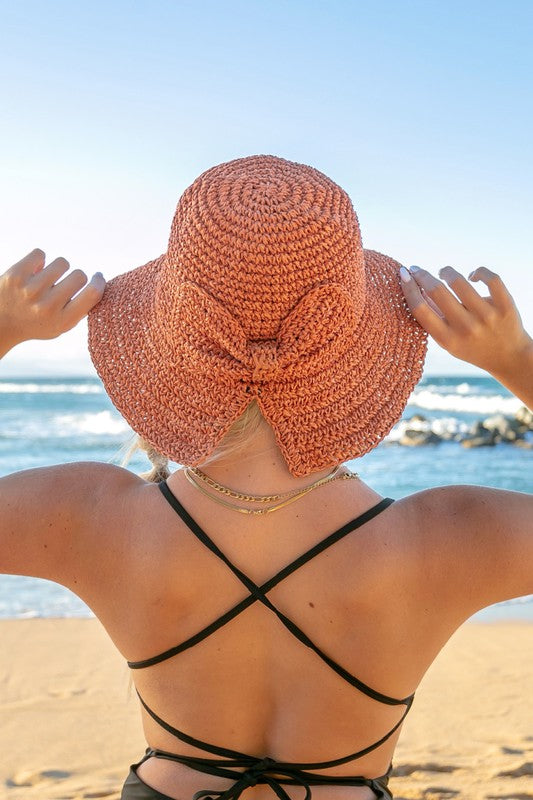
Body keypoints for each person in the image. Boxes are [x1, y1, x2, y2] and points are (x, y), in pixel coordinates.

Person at [0, 155, 532, 800]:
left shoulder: (88, 515)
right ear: (360, 345)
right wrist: (514, 359)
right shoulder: (446, 538)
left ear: (168, 335)